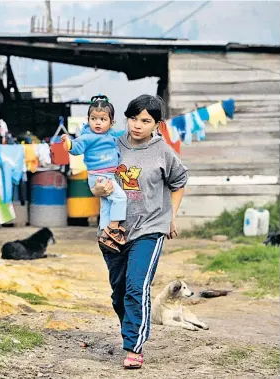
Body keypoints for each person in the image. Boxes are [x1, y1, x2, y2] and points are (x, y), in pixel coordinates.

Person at [91, 94, 188, 369]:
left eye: (145, 120)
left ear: (157, 124)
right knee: (119, 292)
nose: (137, 125)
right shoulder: (111, 143)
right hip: (113, 229)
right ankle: (130, 330)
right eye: (133, 118)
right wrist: (97, 189)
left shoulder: (163, 151)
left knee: (136, 286)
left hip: (150, 227)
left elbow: (179, 181)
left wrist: (172, 216)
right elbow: (95, 177)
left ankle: (134, 346)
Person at [61, 94, 127, 253]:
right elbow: (76, 147)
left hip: (108, 175)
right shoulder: (88, 137)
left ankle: (104, 235)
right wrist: (68, 143)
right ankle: (113, 228)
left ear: (111, 122)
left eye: (103, 119)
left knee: (106, 205)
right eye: (94, 118)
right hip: (100, 176)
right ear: (88, 119)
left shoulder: (110, 135)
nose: (97, 122)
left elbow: (122, 135)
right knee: (120, 198)